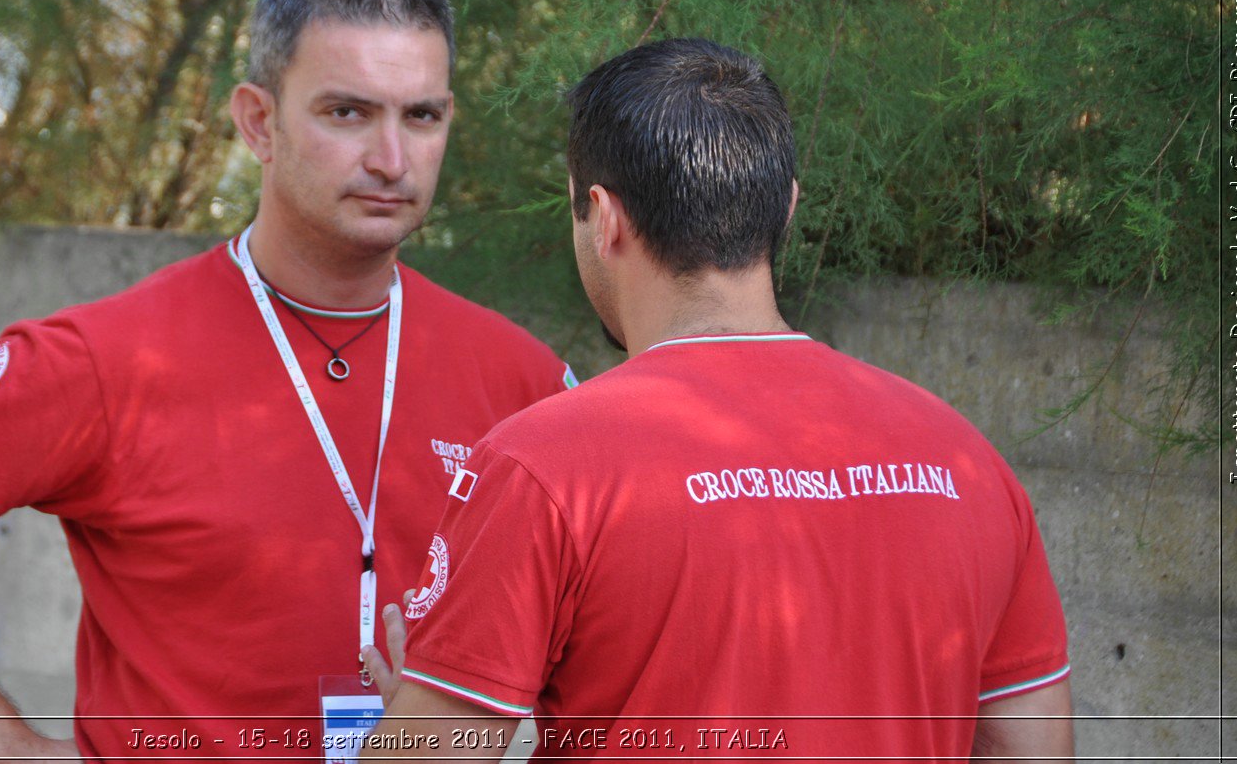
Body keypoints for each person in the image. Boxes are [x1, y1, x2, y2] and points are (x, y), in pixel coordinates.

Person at [0, 0, 575, 762]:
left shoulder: (523, 380)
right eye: (347, 113)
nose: (391, 158)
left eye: (420, 117)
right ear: (258, 121)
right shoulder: (111, 359)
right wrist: (7, 751)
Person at [360, 38, 1072, 761]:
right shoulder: (969, 465)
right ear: (785, 209)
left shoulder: (541, 469)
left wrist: (412, 725)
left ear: (602, 216)